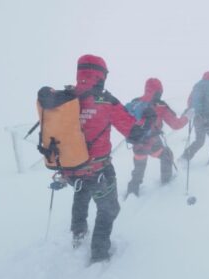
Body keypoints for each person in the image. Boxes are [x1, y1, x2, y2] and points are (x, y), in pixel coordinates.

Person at [60, 54, 147, 264]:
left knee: (81, 193)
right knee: (109, 209)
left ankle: (78, 234)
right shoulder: (106, 101)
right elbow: (133, 132)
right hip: (97, 170)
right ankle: (99, 253)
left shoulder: (66, 97)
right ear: (100, 75)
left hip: (71, 168)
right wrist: (145, 123)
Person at [126, 78, 193, 198]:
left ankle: (132, 191)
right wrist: (187, 117)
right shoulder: (160, 105)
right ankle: (166, 183)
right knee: (166, 155)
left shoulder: (135, 102)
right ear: (159, 91)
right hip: (152, 142)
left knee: (139, 167)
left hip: (137, 142)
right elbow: (176, 124)